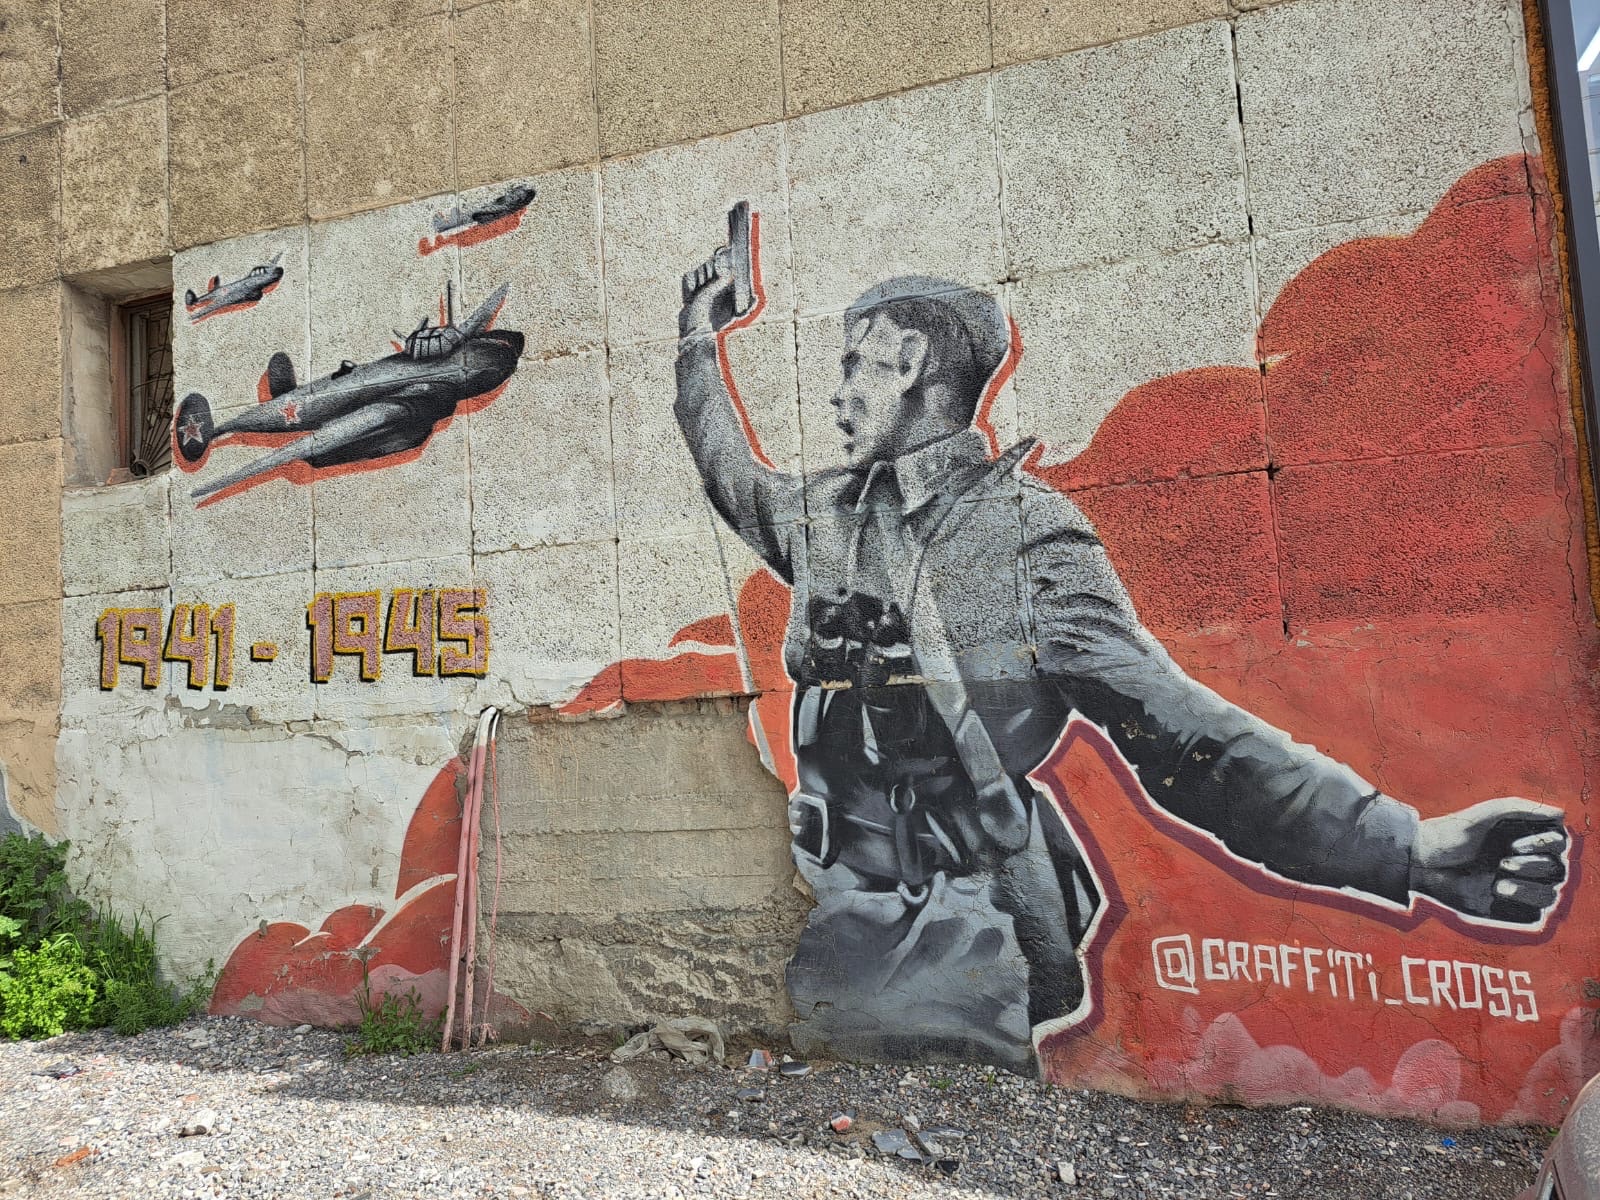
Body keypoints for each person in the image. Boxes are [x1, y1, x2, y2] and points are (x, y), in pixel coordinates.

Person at [674, 250, 1571, 1072]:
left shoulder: (1029, 539)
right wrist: (697, 340)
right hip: (839, 906)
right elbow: (729, 472)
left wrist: (1406, 849)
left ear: (908, 363)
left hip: (956, 931)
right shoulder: (827, 517)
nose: (836, 396)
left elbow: (1186, 739)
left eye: (852, 367)